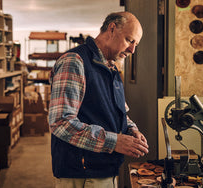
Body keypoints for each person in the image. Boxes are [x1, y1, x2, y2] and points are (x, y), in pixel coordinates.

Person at [48, 11, 149, 188]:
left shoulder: (111, 68)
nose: (132, 49)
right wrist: (115, 141)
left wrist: (132, 129)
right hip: (81, 175)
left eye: (136, 44)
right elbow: (60, 122)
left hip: (105, 170)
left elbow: (119, 112)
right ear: (112, 29)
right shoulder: (75, 61)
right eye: (129, 40)